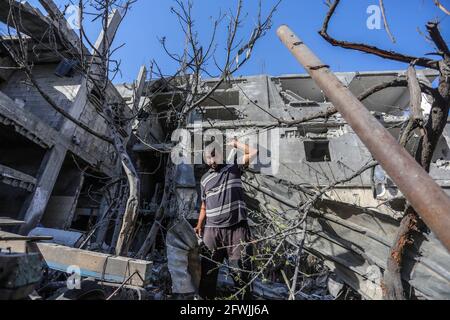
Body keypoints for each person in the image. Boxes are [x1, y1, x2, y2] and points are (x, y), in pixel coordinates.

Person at [195, 138, 258, 300]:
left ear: (222, 155)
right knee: (207, 273)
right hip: (212, 231)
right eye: (208, 157)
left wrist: (236, 144)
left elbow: (253, 152)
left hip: (236, 230)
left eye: (214, 156)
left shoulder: (234, 169)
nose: (211, 160)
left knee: (240, 273)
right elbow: (204, 205)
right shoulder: (205, 180)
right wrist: (199, 224)